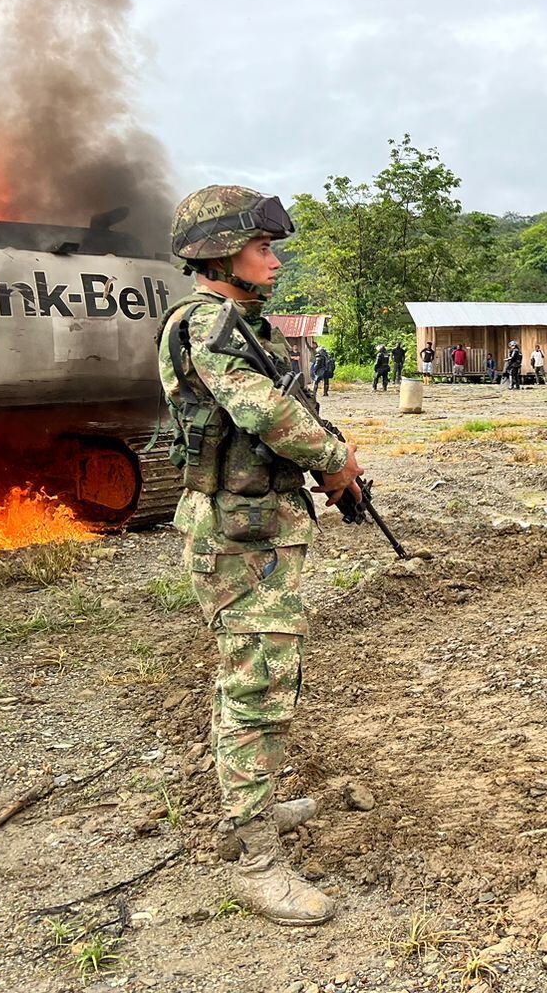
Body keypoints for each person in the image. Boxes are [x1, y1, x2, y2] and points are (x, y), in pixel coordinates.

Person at [157, 184, 364, 925]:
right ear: (220, 252)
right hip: (237, 538)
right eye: (263, 247)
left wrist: (336, 468)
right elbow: (264, 410)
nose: (274, 260)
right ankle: (253, 860)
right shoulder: (206, 324)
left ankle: (257, 810)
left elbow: (290, 404)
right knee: (255, 688)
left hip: (261, 528)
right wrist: (334, 460)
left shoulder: (247, 324)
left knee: (269, 678)